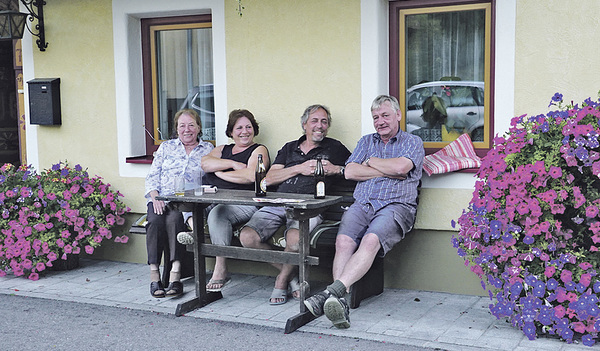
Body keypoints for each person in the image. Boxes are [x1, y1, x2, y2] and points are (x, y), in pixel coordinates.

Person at [303, 95, 424, 328]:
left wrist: (371, 162)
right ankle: (339, 300)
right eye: (376, 117)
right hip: (362, 204)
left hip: (395, 206)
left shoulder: (412, 141)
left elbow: (401, 167)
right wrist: (384, 169)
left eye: (385, 115)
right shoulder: (366, 141)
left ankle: (331, 295)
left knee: (369, 241)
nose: (380, 121)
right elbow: (349, 172)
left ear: (398, 115)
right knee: (343, 243)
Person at [239, 104, 351, 305]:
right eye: (315, 121)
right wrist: (299, 168)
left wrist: (336, 169)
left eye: (324, 122)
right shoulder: (290, 148)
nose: (320, 126)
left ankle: (281, 280)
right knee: (247, 237)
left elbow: (352, 169)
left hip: (310, 208)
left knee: (293, 239)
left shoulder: (335, 148)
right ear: (304, 124)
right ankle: (293, 276)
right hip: (278, 203)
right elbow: (269, 179)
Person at [177, 109, 270, 293]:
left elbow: (250, 176)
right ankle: (194, 230)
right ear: (231, 131)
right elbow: (205, 163)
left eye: (248, 127)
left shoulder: (259, 150)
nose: (244, 131)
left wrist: (219, 173)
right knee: (185, 200)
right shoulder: (223, 149)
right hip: (214, 196)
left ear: (254, 129)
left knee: (217, 214)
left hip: (244, 202)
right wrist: (232, 165)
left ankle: (220, 269)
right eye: (239, 127)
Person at [144, 109, 214, 298]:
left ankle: (175, 275)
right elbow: (152, 176)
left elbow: (211, 180)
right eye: (182, 125)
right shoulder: (166, 147)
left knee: (175, 220)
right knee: (155, 221)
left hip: (187, 202)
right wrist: (154, 196)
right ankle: (154, 275)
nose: (187, 129)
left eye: (191, 125)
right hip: (160, 198)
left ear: (199, 127)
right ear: (176, 128)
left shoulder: (208, 150)